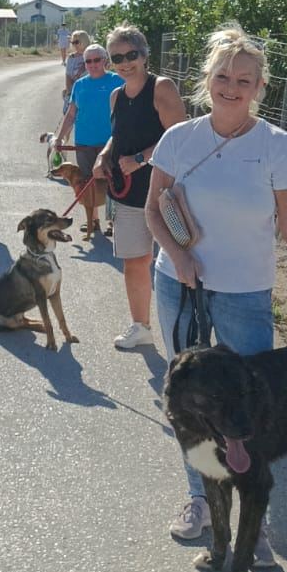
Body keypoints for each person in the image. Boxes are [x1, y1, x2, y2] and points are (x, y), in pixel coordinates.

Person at [146, 24, 287, 558]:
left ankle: (251, 522)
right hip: (179, 286)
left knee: (248, 409)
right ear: (207, 79)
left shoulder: (275, 146)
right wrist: (179, 256)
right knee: (191, 403)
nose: (231, 87)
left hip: (245, 295)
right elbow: (153, 210)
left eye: (243, 80)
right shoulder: (178, 138)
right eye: (223, 76)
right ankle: (200, 499)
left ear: (259, 87)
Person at [95, 24, 186, 349]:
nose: (124, 63)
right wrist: (105, 155)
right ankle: (141, 326)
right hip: (129, 194)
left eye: (130, 55)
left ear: (144, 55)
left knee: (176, 263)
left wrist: (141, 158)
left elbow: (180, 137)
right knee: (135, 261)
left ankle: (184, 333)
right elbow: (118, 135)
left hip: (167, 195)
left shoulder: (162, 88)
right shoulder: (116, 96)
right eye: (117, 57)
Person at [54, 43, 123, 236]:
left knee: (112, 183)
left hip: (110, 143)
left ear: (105, 61)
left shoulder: (117, 81)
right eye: (88, 61)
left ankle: (113, 222)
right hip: (84, 143)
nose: (92, 64)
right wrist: (59, 138)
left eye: (96, 60)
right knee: (87, 183)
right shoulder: (80, 85)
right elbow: (71, 114)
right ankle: (93, 221)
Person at [63, 30, 90, 109]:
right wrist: (69, 92)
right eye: (72, 42)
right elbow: (68, 76)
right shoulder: (71, 57)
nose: (74, 45)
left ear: (84, 41)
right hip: (74, 92)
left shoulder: (92, 55)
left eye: (76, 42)